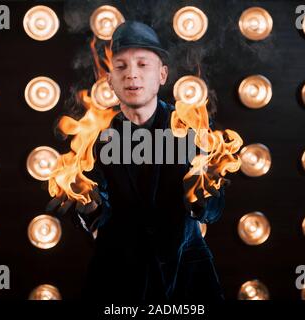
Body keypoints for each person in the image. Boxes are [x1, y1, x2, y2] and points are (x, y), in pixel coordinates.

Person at [47, 21, 228, 303]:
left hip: (186, 276)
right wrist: (90, 208)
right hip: (116, 276)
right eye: (121, 67)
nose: (132, 74)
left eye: (143, 64)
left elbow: (212, 211)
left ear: (162, 75)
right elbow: (92, 210)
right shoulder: (92, 134)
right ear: (109, 79)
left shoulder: (190, 127)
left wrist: (202, 197)